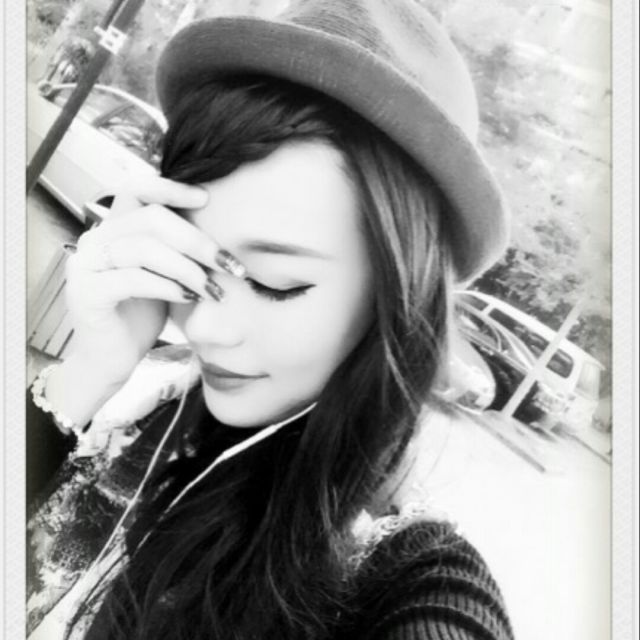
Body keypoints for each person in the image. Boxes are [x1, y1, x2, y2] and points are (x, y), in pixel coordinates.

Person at [27, 1, 514, 639]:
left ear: (396, 302)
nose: (204, 329)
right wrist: (88, 371)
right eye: (194, 263)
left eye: (274, 283)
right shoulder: (144, 402)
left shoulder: (409, 578)